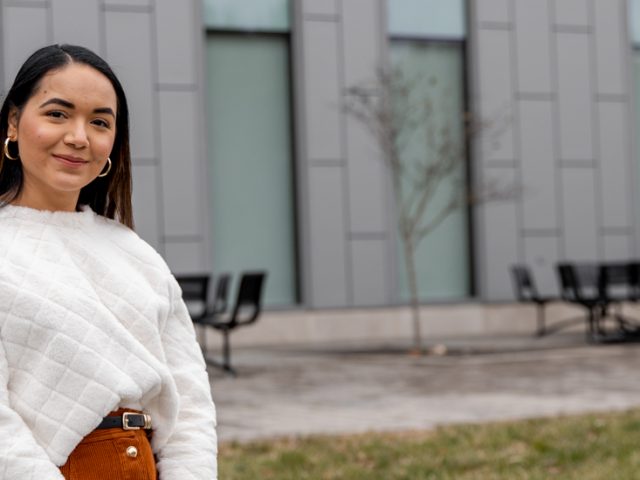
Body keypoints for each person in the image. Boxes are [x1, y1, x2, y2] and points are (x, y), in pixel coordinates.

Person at [0, 44, 217, 479]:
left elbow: (190, 405)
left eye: (100, 122)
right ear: (14, 122)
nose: (79, 136)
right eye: (57, 114)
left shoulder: (138, 256)